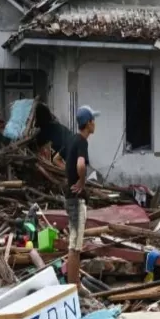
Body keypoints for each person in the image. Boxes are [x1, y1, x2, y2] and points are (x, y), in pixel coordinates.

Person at [65, 105, 98, 288]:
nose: (95, 124)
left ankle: (74, 283)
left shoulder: (72, 139)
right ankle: (73, 287)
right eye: (94, 120)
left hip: (69, 197)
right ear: (88, 123)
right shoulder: (82, 143)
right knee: (75, 246)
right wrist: (82, 182)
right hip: (76, 200)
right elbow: (81, 165)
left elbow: (57, 160)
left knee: (74, 243)